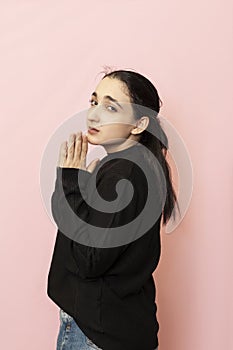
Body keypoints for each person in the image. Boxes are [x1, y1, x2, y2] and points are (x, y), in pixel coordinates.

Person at [47, 68, 180, 350]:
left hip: (96, 335)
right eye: (94, 102)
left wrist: (70, 180)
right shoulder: (131, 167)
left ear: (139, 124)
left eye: (110, 107)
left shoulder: (126, 173)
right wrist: (76, 185)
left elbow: (89, 260)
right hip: (110, 329)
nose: (93, 115)